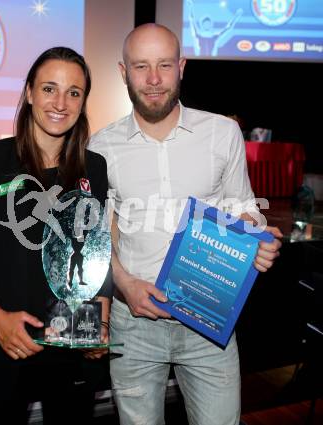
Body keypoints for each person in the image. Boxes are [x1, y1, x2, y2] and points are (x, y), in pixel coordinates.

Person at [89, 24, 282, 425]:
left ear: (182, 67)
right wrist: (123, 283)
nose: (154, 79)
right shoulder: (100, 146)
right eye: (141, 66)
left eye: (164, 65)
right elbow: (98, 236)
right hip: (133, 325)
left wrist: (258, 239)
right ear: (123, 72)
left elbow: (243, 210)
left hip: (210, 323)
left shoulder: (222, 133)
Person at [0, 47, 112, 425]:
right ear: (29, 92)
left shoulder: (93, 168)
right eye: (49, 89)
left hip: (71, 348)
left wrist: (100, 321)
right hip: (2, 348)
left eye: (74, 92)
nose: (60, 103)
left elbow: (95, 254)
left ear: (83, 102)